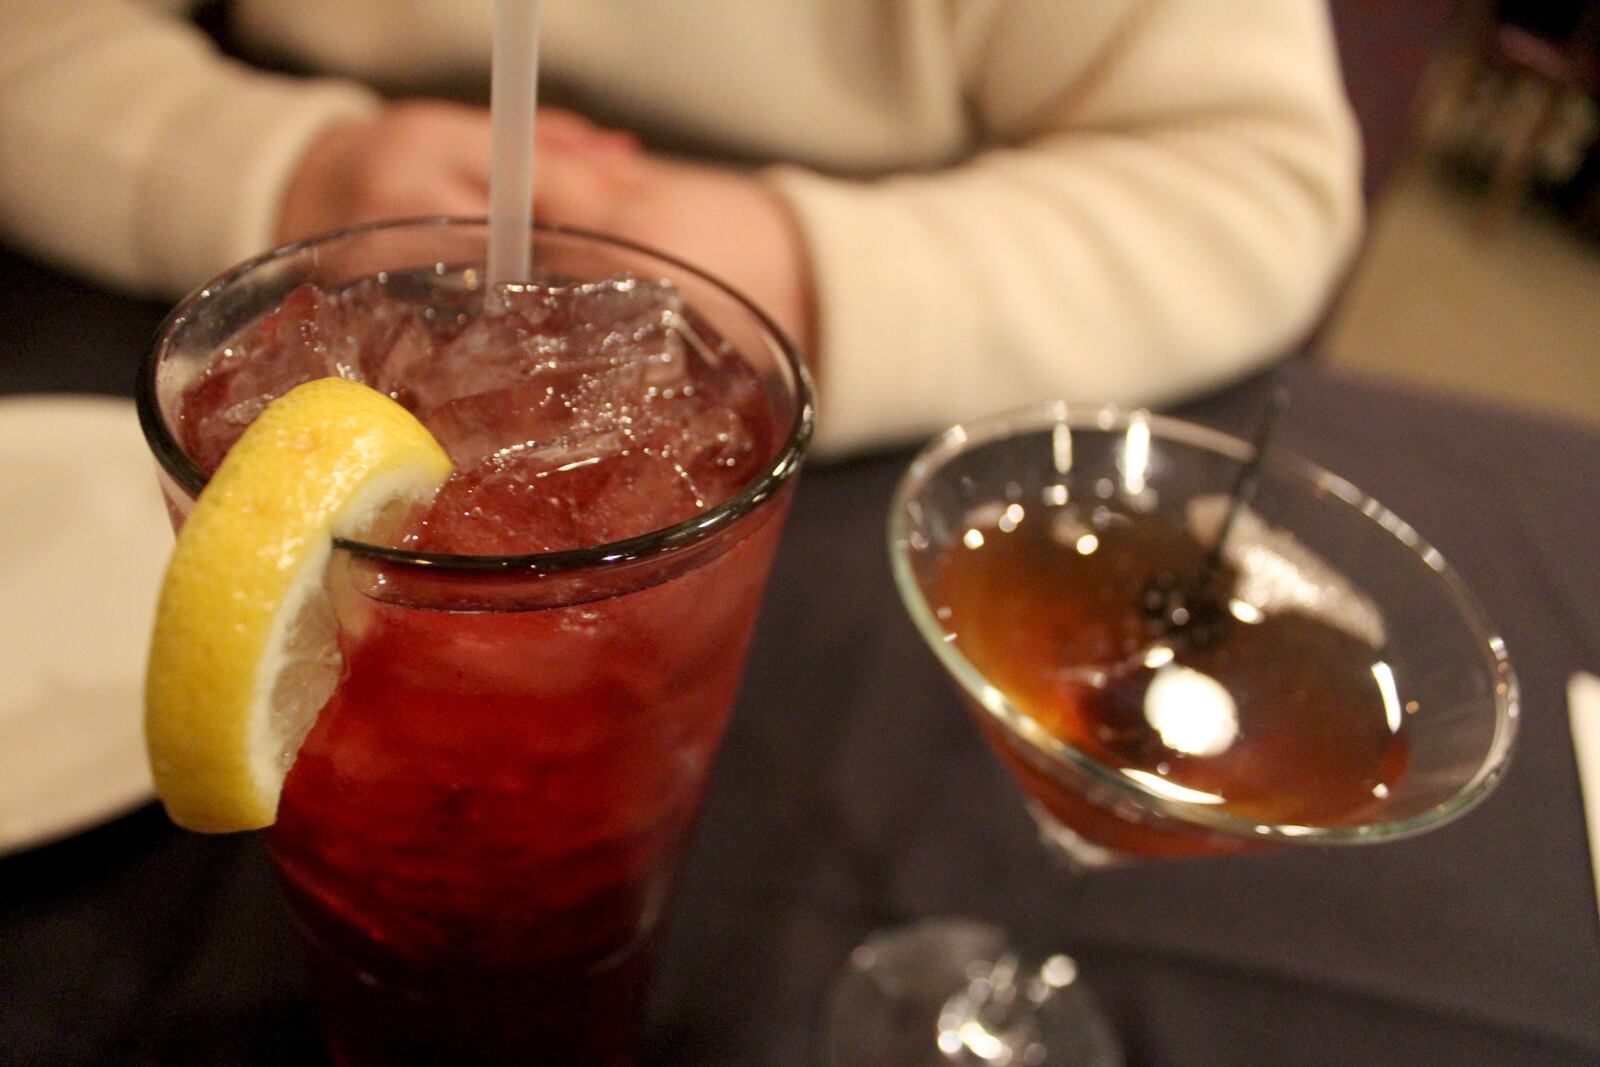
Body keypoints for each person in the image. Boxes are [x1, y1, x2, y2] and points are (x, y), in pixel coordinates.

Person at [0, 0, 1362, 455]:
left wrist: (798, 272)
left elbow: (1255, 182)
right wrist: (290, 172)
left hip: (836, 433)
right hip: (276, 336)